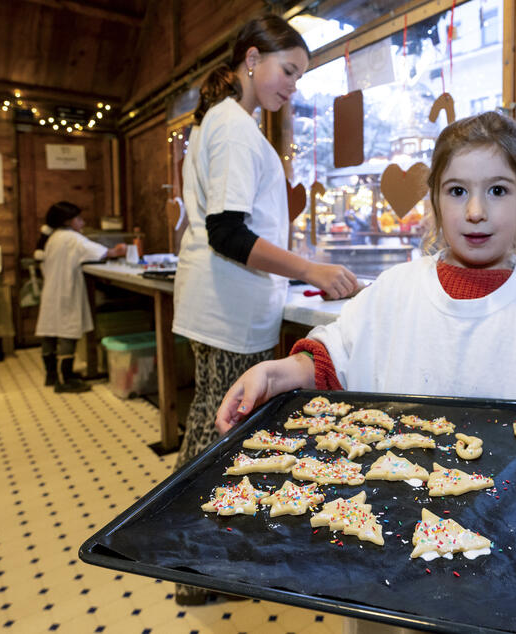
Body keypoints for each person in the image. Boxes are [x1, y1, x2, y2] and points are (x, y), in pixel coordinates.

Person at [216, 111, 516, 497]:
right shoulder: (395, 291)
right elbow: (332, 358)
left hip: (509, 533)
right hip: (382, 516)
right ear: (436, 204)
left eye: (497, 191)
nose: (476, 211)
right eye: (457, 190)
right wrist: (274, 373)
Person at [171, 15, 357, 604]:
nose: (292, 88)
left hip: (227, 307)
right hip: (225, 311)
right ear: (252, 59)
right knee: (218, 432)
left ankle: (196, 560)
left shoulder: (230, 123)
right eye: (288, 71)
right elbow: (227, 232)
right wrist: (310, 269)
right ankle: (195, 569)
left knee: (212, 425)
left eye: (300, 77)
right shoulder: (230, 127)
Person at [34, 201, 127, 392]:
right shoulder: (72, 238)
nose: (82, 222)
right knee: (68, 331)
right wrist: (119, 250)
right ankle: (65, 379)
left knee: (50, 331)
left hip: (52, 290)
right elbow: (102, 253)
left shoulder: (53, 238)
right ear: (68, 220)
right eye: (79, 218)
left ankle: (52, 375)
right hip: (66, 291)